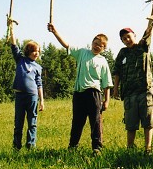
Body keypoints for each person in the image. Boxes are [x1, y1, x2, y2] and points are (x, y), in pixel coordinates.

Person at [47, 23, 113, 154]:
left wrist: (106, 101)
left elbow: (107, 83)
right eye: (95, 43)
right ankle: (72, 146)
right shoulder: (82, 53)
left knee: (95, 121)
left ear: (104, 48)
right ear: (92, 43)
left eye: (100, 45)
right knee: (77, 121)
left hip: (94, 93)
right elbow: (66, 45)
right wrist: (55, 32)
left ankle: (97, 147)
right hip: (79, 94)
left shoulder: (102, 61)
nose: (97, 46)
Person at [112, 20, 153, 154]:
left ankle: (147, 149)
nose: (127, 39)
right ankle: (130, 148)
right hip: (129, 93)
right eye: (124, 38)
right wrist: (115, 89)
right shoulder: (122, 53)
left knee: (148, 121)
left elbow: (149, 31)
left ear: (134, 35)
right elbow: (117, 72)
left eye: (128, 36)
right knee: (130, 124)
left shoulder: (143, 46)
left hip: (145, 91)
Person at [8, 20, 44, 150]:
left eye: (38, 51)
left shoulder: (38, 67)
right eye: (34, 51)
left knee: (32, 122)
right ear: (28, 50)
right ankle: (16, 146)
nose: (37, 53)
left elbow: (39, 84)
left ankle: (31, 145)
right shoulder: (20, 60)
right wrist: (11, 29)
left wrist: (42, 101)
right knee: (18, 122)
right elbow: (14, 45)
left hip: (33, 97)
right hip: (20, 96)